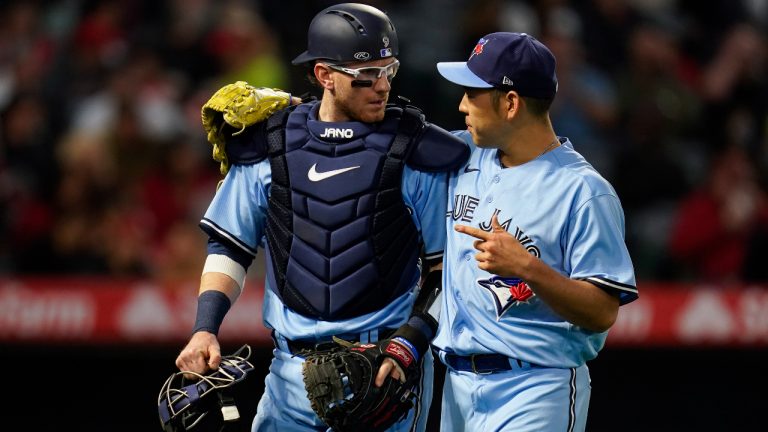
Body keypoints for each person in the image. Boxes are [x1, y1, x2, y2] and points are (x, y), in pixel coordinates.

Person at [173, 3, 468, 431]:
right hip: (289, 370)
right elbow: (229, 248)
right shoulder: (271, 143)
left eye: (390, 71)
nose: (381, 86)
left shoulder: (413, 150)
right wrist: (205, 328)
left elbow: (446, 270)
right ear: (324, 75)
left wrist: (410, 342)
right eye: (366, 76)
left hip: (384, 366)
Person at [431, 32, 638, 431]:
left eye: (473, 92)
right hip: (455, 387)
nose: (461, 105)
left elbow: (602, 310)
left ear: (510, 103)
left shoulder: (583, 191)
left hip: (534, 387)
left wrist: (527, 267)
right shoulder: (464, 154)